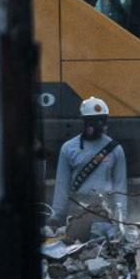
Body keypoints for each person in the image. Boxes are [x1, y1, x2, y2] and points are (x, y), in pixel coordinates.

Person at [50, 97, 127, 237]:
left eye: (102, 120)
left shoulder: (115, 149)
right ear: (85, 122)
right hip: (78, 211)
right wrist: (56, 219)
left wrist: (121, 220)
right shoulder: (68, 149)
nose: (100, 125)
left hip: (104, 211)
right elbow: (62, 186)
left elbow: (120, 187)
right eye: (95, 121)